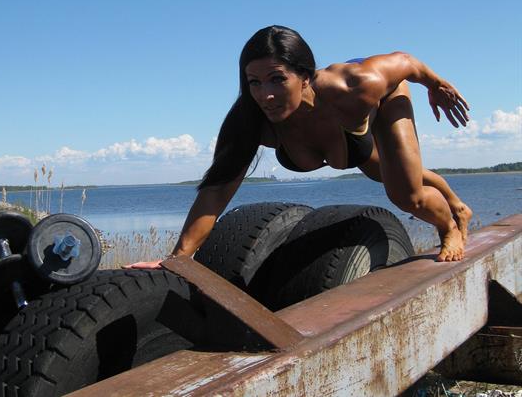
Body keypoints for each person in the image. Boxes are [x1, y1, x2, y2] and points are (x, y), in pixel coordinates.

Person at [131, 25, 472, 269]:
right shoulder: (250, 121)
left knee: (406, 194)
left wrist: (436, 85)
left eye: (278, 79)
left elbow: (406, 61)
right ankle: (458, 203)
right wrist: (179, 257)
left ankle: (450, 228)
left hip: (383, 104)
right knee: (385, 171)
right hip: (345, 140)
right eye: (254, 82)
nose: (265, 94)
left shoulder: (355, 85)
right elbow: (217, 191)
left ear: (305, 76)